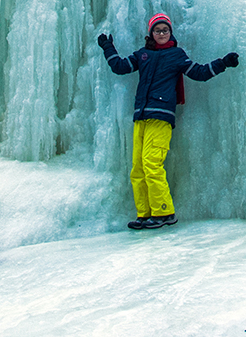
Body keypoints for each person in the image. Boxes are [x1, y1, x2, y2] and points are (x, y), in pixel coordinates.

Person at [98, 12, 238, 230]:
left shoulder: (176, 55)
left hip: (161, 115)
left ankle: (165, 212)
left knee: (152, 164)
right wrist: (108, 47)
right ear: (151, 34)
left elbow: (199, 72)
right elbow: (120, 67)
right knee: (137, 167)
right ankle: (145, 214)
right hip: (141, 115)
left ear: (170, 33)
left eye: (165, 30)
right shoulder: (143, 54)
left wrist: (223, 63)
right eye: (157, 30)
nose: (161, 33)